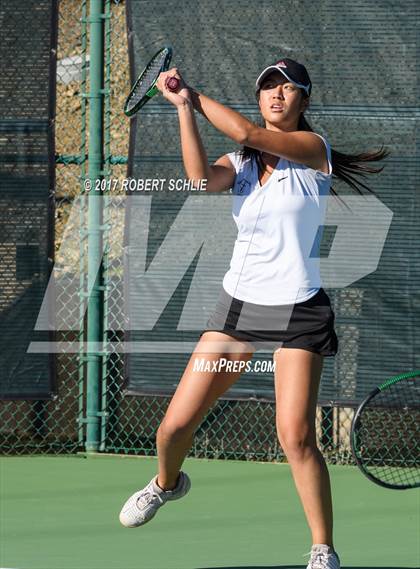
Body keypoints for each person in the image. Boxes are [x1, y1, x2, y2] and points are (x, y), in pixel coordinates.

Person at [119, 57, 389, 569]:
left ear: (304, 101)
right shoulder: (242, 162)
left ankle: (322, 549)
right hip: (238, 311)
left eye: (288, 89)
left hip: (298, 312)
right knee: (172, 431)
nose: (276, 95)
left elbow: (245, 128)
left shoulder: (313, 152)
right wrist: (182, 109)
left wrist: (194, 94)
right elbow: (201, 182)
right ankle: (166, 484)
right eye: (268, 86)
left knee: (296, 436)